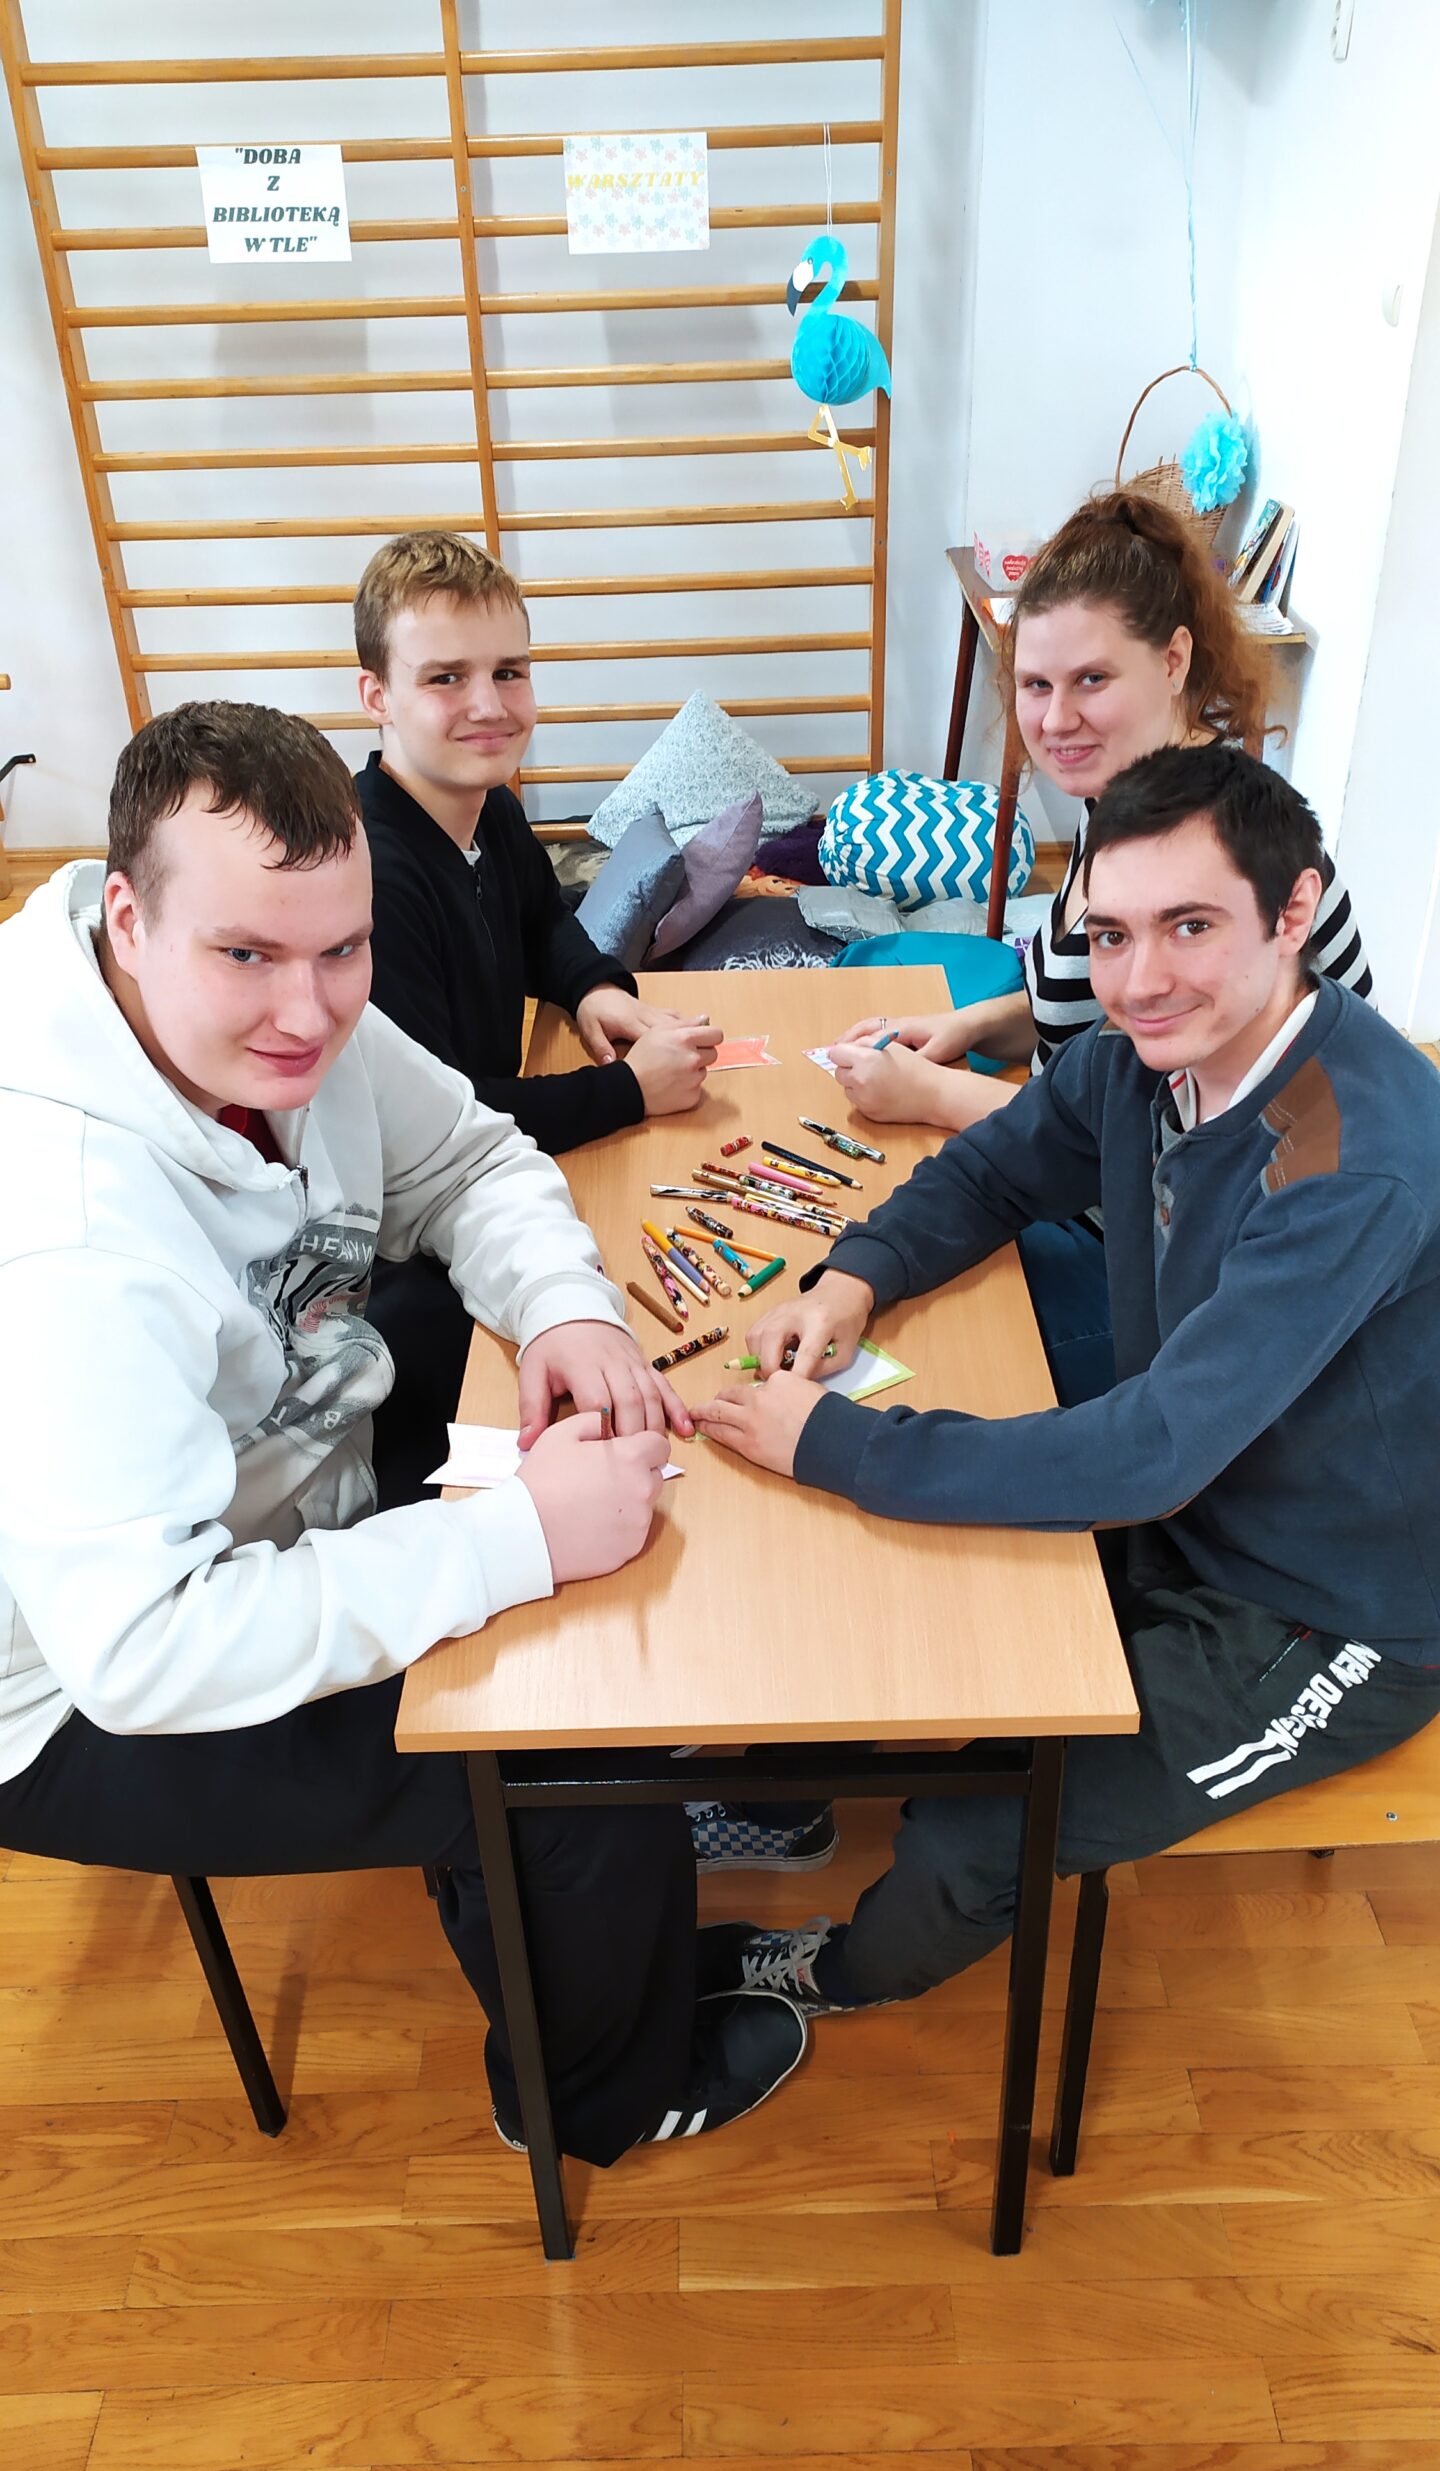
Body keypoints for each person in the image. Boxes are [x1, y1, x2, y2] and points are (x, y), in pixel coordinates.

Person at [0, 701, 806, 2164]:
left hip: (271, 1474)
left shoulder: (284, 998)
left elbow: (474, 1158)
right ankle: (597, 2097)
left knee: (506, 1400)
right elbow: (146, 1647)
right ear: (127, 918)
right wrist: (510, 1541)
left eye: (345, 951)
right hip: (81, 1691)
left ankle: (586, 1904)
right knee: (559, 1759)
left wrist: (567, 1313)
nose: (310, 1013)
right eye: (248, 957)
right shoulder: (62, 1233)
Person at [692, 746, 1440, 2018]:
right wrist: (853, 1276)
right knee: (879, 1590)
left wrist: (837, 1442)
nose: (1139, 980)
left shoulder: (1354, 1159)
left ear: (1294, 912)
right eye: (1110, 933)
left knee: (982, 1825)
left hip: (1329, 1612)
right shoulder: (1144, 1054)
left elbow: (1149, 1449)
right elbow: (998, 1170)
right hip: (1191, 1509)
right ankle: (785, 1799)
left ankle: (836, 1976)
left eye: (1190, 926)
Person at [828, 491, 1373, 1404]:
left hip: (1190, 1286)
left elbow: (1137, 1139)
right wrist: (973, 1025)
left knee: (932, 1364)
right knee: (873, 1252)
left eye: (1091, 680)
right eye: (1036, 686)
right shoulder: (1121, 807)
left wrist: (931, 1094)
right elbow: (1087, 1027)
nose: (1054, 719)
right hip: (1092, 1204)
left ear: (1174, 660)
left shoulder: (1223, 863)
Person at [351, 531, 720, 1504]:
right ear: (375, 694)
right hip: (402, 1240)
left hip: (485, 1173)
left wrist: (596, 989)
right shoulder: (372, 877)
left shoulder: (488, 804)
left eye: (508, 672)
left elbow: (546, 921)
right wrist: (627, 1092)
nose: (489, 704)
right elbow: (449, 1119)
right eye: (446, 677)